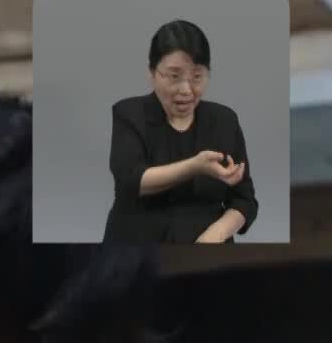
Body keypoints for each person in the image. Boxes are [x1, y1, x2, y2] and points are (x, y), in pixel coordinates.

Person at [103, 19, 258, 243]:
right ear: (152, 73)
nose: (186, 90)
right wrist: (196, 166)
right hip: (137, 250)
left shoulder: (224, 120)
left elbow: (245, 200)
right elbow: (131, 181)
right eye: (174, 76)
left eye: (197, 77)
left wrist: (216, 235)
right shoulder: (129, 114)